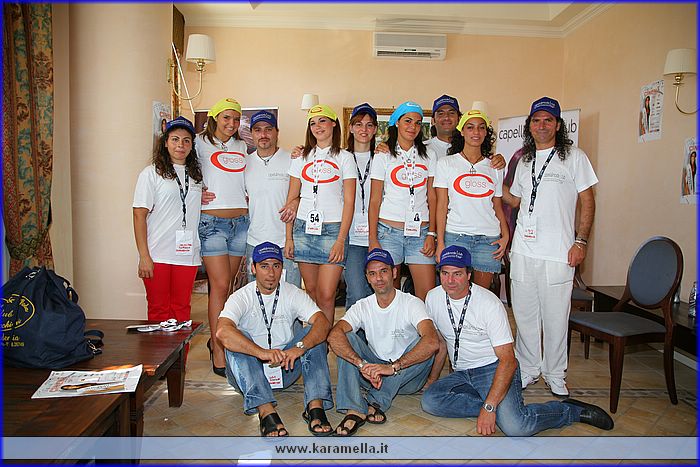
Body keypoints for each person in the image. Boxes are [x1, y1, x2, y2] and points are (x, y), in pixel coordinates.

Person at [421, 245, 614, 436]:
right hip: (462, 372)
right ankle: (499, 408)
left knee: (517, 427)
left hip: (493, 368)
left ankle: (570, 410)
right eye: (445, 273)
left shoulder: (489, 304)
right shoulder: (433, 298)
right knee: (430, 401)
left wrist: (489, 408)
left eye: (457, 274)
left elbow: (509, 361)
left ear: (469, 275)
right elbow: (441, 344)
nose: (450, 281)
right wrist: (432, 380)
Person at [502, 97, 598, 396]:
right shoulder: (524, 161)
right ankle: (529, 369)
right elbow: (515, 200)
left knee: (556, 318)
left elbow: (588, 201)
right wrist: (489, 176)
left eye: (548, 120)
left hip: (559, 253)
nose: (541, 125)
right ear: (529, 126)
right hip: (523, 251)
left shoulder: (575, 157)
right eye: (536, 120)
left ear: (558, 125)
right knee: (525, 316)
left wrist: (581, 241)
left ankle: (556, 374)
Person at [216, 242, 334, 437]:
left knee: (315, 335)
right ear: (253, 269)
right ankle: (266, 411)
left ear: (282, 268)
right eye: (264, 266)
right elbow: (222, 332)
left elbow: (322, 322)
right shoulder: (241, 297)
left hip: (286, 367)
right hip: (248, 373)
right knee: (236, 337)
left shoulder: (292, 292)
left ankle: (315, 406)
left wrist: (300, 347)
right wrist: (261, 353)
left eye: (276, 266)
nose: (271, 273)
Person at [327, 248, 439, 437]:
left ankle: (376, 400)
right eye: (372, 273)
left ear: (394, 273)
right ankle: (354, 409)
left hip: (406, 377)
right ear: (367, 278)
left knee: (424, 343)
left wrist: (393, 367)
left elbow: (432, 341)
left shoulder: (411, 303)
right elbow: (334, 335)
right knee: (346, 338)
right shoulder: (363, 305)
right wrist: (361, 364)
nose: (378, 278)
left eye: (383, 271)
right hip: (373, 373)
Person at [284, 104, 356, 325]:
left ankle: (324, 341)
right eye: (313, 123)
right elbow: (291, 199)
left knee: (326, 295)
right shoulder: (300, 157)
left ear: (334, 123)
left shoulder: (345, 157)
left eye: (322, 121)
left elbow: (350, 202)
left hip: (333, 231)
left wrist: (341, 240)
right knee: (312, 292)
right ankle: (316, 340)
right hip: (303, 229)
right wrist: (289, 237)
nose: (318, 127)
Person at [196, 97, 250, 377]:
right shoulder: (198, 143)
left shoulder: (242, 146)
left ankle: (220, 339)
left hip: (241, 223)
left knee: (228, 287)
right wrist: (195, 193)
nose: (231, 123)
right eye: (226, 117)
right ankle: (218, 350)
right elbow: (180, 169)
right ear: (215, 118)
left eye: (236, 118)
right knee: (218, 285)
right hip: (212, 223)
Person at [133, 116, 203, 324]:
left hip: (187, 255)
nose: (180, 145)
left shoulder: (196, 175)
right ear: (165, 143)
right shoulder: (151, 173)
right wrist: (144, 256)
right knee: (158, 310)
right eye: (175, 139)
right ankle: (157, 349)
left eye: (186, 140)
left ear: (191, 145)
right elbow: (139, 215)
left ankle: (180, 348)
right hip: (158, 255)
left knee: (182, 310)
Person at [368, 101, 437, 301]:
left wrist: (432, 233)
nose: (412, 126)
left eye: (417, 123)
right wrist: (373, 239)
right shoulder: (383, 155)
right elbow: (375, 200)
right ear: (396, 123)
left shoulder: (429, 155)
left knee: (427, 295)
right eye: (407, 121)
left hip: (421, 233)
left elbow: (432, 196)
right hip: (389, 232)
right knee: (390, 294)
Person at [434, 109, 509, 289]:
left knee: (481, 295)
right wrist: (440, 242)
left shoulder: (495, 167)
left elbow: (497, 206)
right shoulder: (446, 163)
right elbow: (441, 205)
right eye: (470, 127)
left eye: (481, 127)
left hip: (488, 239)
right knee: (454, 291)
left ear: (486, 132)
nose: (476, 132)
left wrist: (506, 235)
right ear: (461, 131)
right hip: (456, 236)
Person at [243, 111, 301, 288]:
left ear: (277, 132)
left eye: (268, 129)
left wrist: (296, 201)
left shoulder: (293, 159)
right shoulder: (244, 163)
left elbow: (308, 194)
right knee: (257, 297)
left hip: (286, 242)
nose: (263, 134)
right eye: (258, 130)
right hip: (254, 242)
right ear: (251, 134)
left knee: (289, 296)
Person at [344, 103, 378, 310]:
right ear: (350, 128)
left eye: (369, 125)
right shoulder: (340, 157)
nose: (364, 129)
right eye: (358, 124)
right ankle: (352, 331)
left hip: (379, 236)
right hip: (351, 237)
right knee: (356, 293)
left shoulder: (384, 158)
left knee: (378, 293)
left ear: (375, 129)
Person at [426, 94, 461, 160]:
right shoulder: (423, 149)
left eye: (451, 113)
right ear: (433, 121)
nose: (446, 117)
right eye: (441, 114)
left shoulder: (468, 148)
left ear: (459, 119)